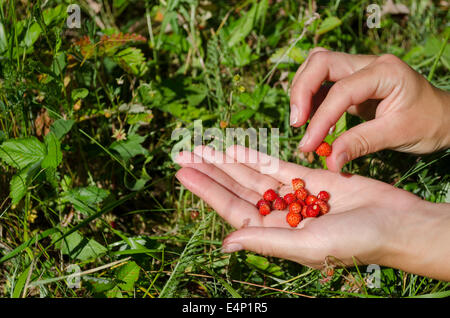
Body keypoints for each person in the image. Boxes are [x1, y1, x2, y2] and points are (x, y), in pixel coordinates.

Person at [175, 49, 450, 282]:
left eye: (299, 208)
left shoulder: (302, 203)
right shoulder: (300, 201)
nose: (296, 206)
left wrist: (401, 230)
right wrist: (443, 114)